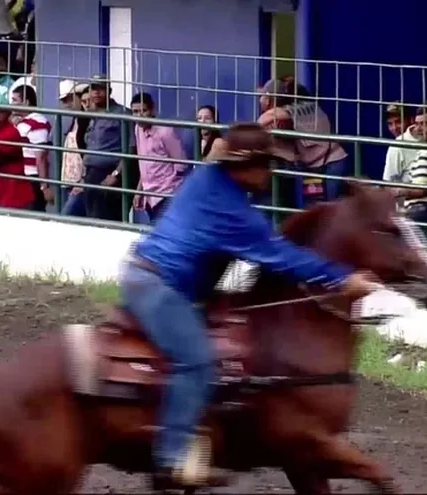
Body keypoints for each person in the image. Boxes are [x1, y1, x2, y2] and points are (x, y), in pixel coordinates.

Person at [118, 123, 381, 490]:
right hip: (159, 287)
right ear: (244, 165)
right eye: (265, 164)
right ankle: (172, 457)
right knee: (197, 360)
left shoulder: (212, 181)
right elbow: (277, 254)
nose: (270, 172)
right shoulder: (229, 208)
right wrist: (340, 279)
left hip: (160, 280)